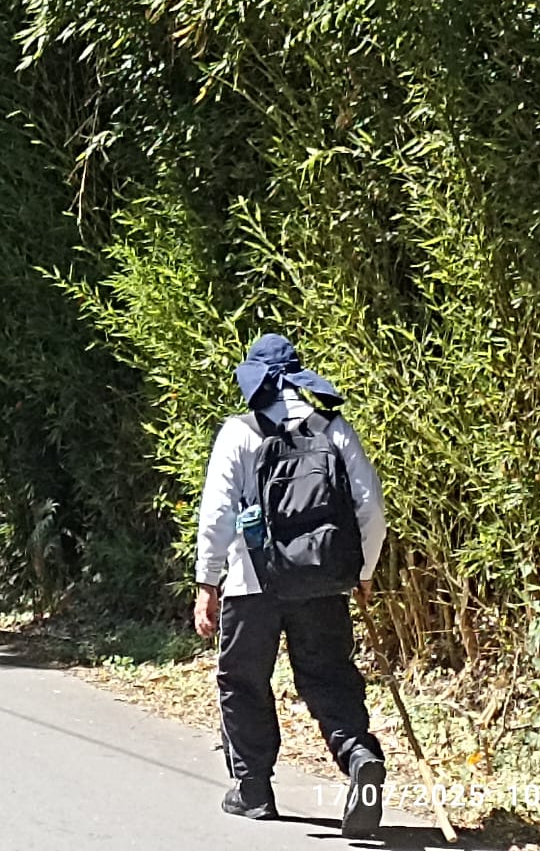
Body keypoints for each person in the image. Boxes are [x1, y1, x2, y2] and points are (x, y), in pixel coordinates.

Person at [193, 333, 388, 837]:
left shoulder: (239, 432)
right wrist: (363, 571)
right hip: (321, 581)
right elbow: (370, 507)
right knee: (330, 678)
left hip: (251, 582)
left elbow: (217, 513)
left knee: (243, 682)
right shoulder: (333, 427)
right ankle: (359, 758)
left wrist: (207, 582)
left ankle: (253, 790)